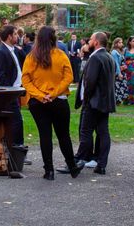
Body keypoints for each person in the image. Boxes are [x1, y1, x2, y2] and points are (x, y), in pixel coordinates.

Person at [21, 26, 84, 180]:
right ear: (53, 38)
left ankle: (48, 171)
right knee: (63, 135)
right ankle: (72, 166)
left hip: (37, 102)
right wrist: (54, 93)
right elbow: (68, 77)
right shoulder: (61, 55)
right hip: (58, 100)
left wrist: (40, 95)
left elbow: (25, 79)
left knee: (45, 135)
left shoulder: (31, 57)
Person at [74, 31, 116, 175]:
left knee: (85, 132)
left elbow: (90, 82)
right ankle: (101, 164)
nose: (88, 42)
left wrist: (85, 99)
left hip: (94, 102)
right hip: (104, 101)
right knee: (103, 132)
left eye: (91, 39)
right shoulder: (109, 57)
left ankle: (78, 160)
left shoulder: (96, 58)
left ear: (96, 42)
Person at [0, 25, 26, 147]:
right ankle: (16, 148)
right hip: (9, 93)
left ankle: (16, 148)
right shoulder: (1, 52)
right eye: (15, 34)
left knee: (16, 121)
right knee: (16, 122)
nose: (18, 36)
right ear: (9, 36)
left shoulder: (13, 50)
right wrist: (9, 90)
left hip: (15, 91)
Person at [111, 37, 128, 105]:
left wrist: (124, 66)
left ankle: (120, 101)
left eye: (122, 42)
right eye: (120, 42)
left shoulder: (120, 51)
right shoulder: (114, 52)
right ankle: (116, 101)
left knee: (122, 86)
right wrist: (119, 73)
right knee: (117, 86)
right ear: (116, 43)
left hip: (123, 71)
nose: (122, 44)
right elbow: (116, 63)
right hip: (118, 72)